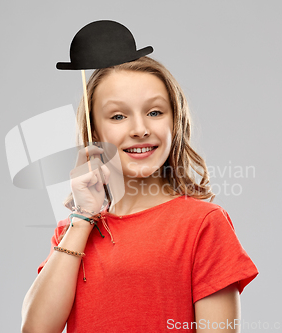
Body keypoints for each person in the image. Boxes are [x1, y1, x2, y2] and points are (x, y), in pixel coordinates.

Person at [21, 56, 259, 333]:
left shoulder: (203, 224)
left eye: (155, 112)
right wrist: (82, 217)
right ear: (94, 130)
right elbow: (36, 329)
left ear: (175, 122)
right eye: (118, 116)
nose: (140, 129)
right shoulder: (72, 232)